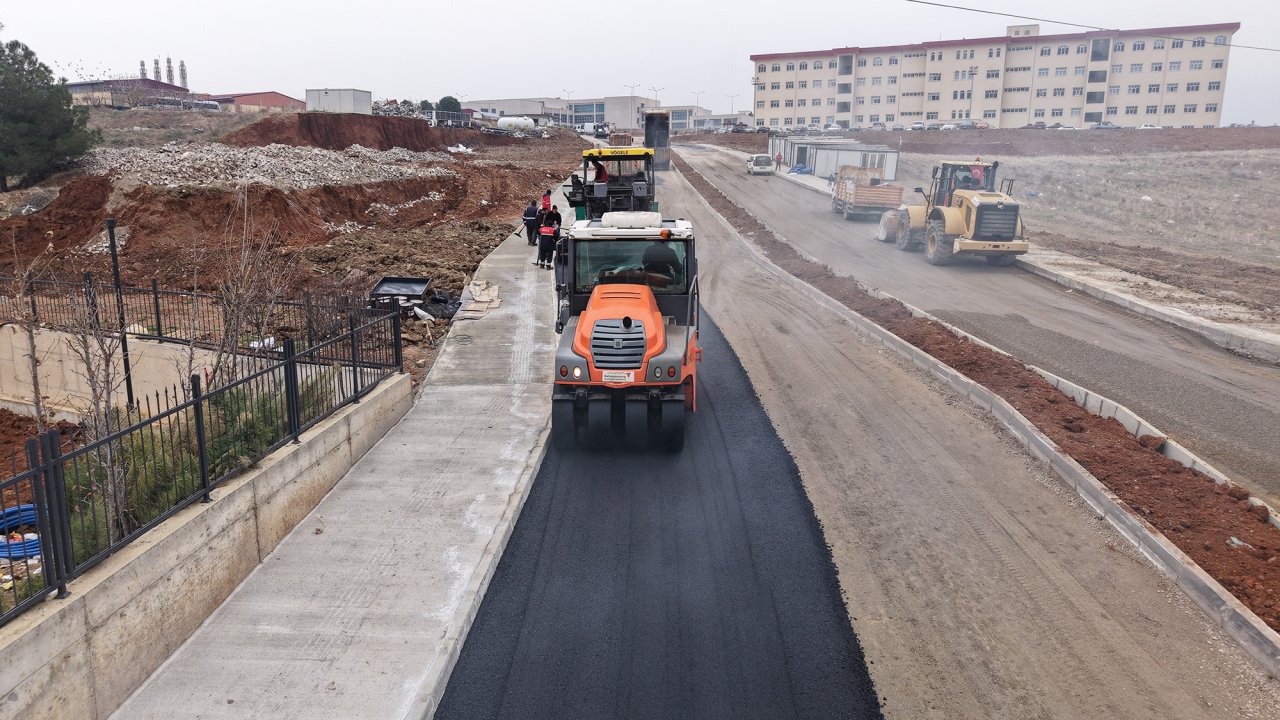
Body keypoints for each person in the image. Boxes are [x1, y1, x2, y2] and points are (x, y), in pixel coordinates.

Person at [537, 205, 563, 269]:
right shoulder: (552, 230)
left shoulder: (542, 229)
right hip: (549, 245)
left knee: (542, 254)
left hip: (542, 244)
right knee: (549, 254)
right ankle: (548, 266)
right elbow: (557, 235)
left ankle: (542, 265)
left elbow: (538, 233)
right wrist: (554, 239)